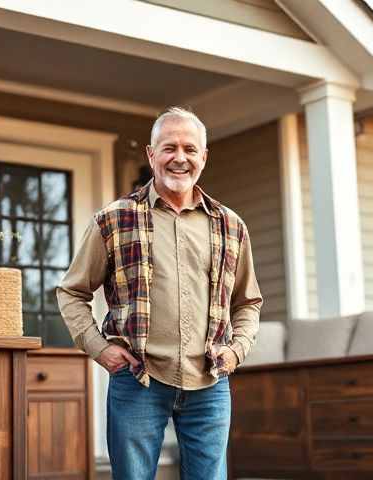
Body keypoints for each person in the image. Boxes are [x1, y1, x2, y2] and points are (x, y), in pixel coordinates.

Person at [57, 106, 263, 479]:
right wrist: (99, 348)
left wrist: (236, 351)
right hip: (138, 380)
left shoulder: (231, 226)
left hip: (210, 381)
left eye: (189, 148)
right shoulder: (114, 219)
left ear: (203, 156)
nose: (179, 158)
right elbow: (71, 292)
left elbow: (247, 301)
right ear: (151, 155)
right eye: (169, 148)